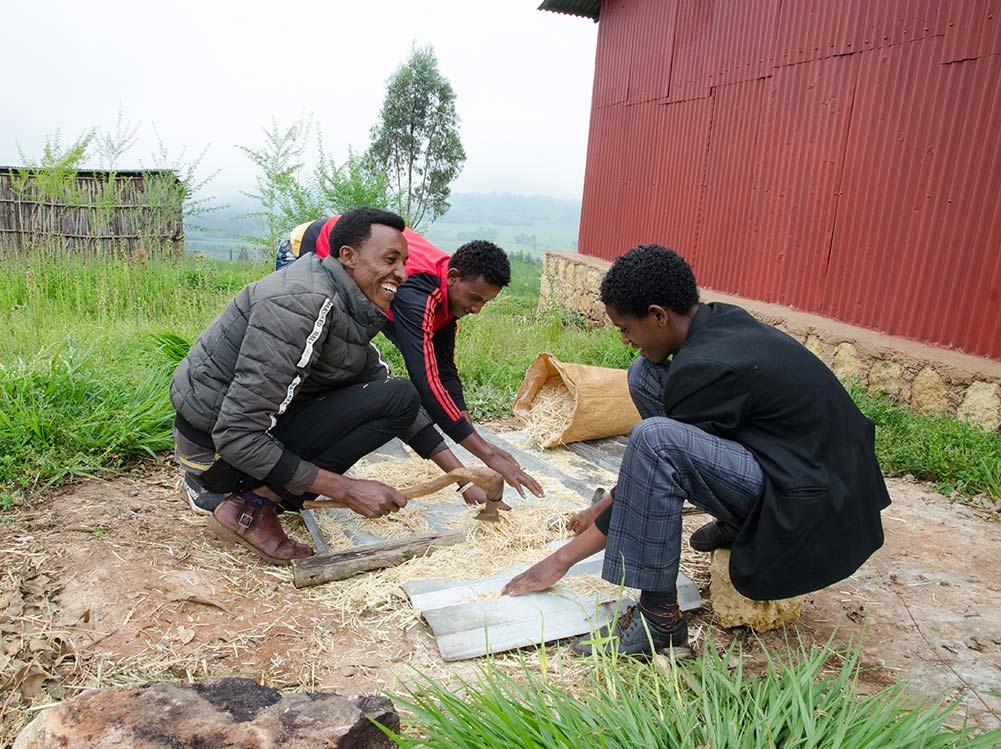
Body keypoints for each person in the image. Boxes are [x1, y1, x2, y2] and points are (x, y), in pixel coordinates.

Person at [503, 244, 890, 656]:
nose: (625, 339)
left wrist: (561, 560)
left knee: (654, 440)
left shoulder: (703, 369)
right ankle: (738, 519)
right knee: (645, 376)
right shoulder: (718, 322)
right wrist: (606, 504)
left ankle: (660, 621)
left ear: (657, 315)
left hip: (814, 508)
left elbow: (656, 461)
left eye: (626, 328)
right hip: (809, 470)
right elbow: (654, 465)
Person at [171, 207, 485, 565]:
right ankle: (250, 508)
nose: (402, 273)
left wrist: (462, 478)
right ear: (348, 257)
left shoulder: (344, 302)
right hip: (213, 451)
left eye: (405, 262)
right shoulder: (302, 304)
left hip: (234, 439)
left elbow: (395, 399)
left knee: (396, 395)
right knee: (395, 395)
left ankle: (267, 491)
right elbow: (238, 435)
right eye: (390, 260)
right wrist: (348, 489)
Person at [275, 215, 544, 503]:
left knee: (368, 376)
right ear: (452, 278)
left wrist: (471, 448)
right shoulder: (416, 296)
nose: (477, 309)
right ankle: (270, 481)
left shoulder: (445, 296)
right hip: (305, 248)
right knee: (310, 366)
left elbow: (444, 373)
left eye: (484, 303)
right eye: (475, 298)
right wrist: (487, 454)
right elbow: (426, 383)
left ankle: (289, 479)